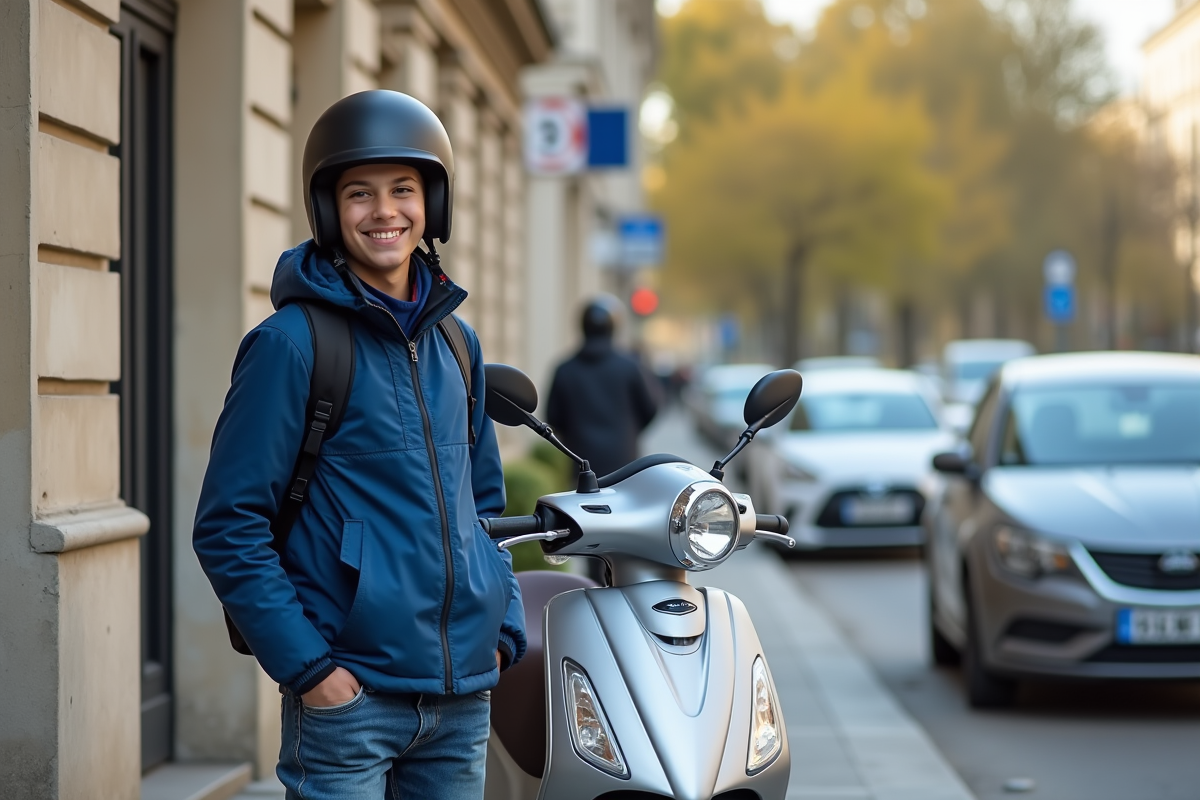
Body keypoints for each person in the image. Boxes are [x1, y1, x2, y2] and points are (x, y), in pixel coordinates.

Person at [192, 90, 525, 800]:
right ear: (328, 210)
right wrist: (311, 671)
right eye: (359, 193)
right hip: (351, 700)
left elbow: (486, 508)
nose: (384, 212)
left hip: (461, 696)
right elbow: (228, 525)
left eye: (403, 189)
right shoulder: (290, 345)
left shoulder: (457, 344)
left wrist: (503, 628)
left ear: (432, 201)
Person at [546, 298, 661, 479]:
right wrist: (628, 431)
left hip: (581, 464)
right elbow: (651, 407)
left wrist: (575, 436)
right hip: (625, 461)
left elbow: (553, 417)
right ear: (613, 328)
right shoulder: (630, 367)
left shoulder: (564, 369)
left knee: (583, 507)